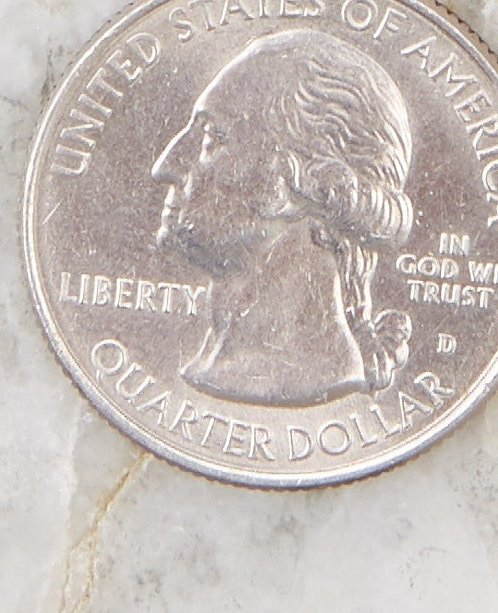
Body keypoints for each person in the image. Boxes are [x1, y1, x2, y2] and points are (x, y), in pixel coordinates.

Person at [150, 30, 417, 400]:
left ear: (314, 181)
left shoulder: (314, 375)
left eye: (213, 137)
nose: (165, 166)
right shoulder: (214, 367)